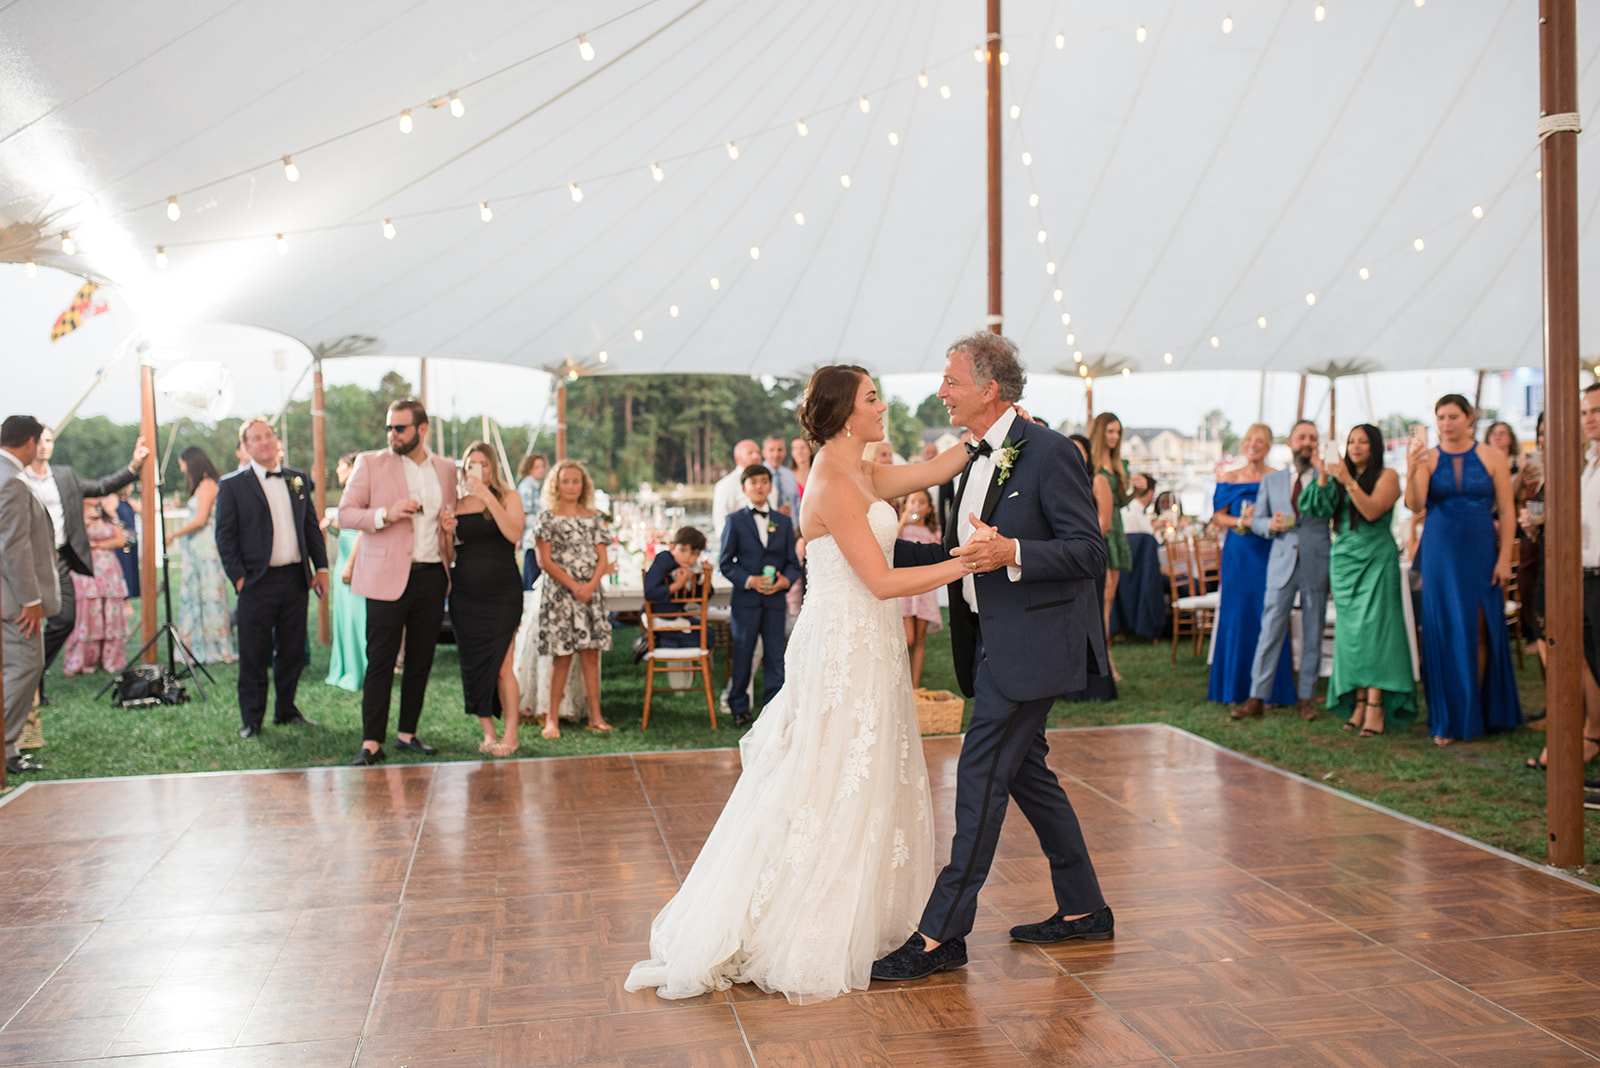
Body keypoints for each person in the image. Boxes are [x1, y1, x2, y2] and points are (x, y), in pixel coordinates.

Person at [626, 363, 979, 1004]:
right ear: (847, 414)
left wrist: (989, 434)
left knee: (866, 772)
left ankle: (866, 914)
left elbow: (935, 470)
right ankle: (803, 919)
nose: (882, 405)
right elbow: (882, 580)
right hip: (843, 641)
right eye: (873, 397)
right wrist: (965, 562)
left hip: (867, 642)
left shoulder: (863, 469)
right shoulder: (832, 483)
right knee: (829, 774)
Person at [871, 333, 1113, 984]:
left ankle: (939, 935)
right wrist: (862, 556)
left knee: (979, 781)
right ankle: (1085, 907)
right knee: (1029, 775)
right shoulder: (969, 458)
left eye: (950, 381)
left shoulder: (1051, 452)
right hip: (989, 646)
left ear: (989, 388)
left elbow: (1090, 553)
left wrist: (1015, 554)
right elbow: (958, 557)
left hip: (1032, 649)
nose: (940, 391)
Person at [338, 399, 459, 766]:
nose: (392, 434)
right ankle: (371, 741)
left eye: (400, 428)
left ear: (422, 430)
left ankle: (407, 732)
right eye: (389, 428)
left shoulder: (446, 469)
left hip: (433, 575)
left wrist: (450, 531)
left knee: (421, 659)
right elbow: (345, 514)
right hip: (386, 577)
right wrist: (385, 514)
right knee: (381, 661)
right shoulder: (371, 463)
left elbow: (448, 519)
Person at [1405, 394, 1522, 745]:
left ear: (1469, 418)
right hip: (1440, 551)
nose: (1446, 423)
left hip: (1481, 550)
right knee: (1444, 631)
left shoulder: (1492, 456)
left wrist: (1504, 559)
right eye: (1440, 416)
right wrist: (1412, 468)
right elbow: (1414, 504)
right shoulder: (1428, 458)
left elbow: (1508, 510)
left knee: (1480, 629)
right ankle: (1449, 716)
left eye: (1453, 416)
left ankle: (1476, 712)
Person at [214, 418, 329, 738]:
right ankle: (252, 719)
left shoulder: (298, 479)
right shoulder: (232, 485)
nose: (264, 442)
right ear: (247, 446)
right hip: (255, 581)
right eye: (256, 438)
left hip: (295, 579)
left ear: (276, 440)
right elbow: (225, 536)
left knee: (291, 651)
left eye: (269, 436)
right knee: (253, 653)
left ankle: (286, 710)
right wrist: (238, 578)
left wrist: (320, 569)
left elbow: (311, 527)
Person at [1301, 424, 1417, 736]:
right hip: (1344, 560)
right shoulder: (1338, 478)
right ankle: (1360, 700)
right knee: (1351, 635)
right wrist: (1324, 473)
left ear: (1375, 446)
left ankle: (1377, 705)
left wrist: (1346, 479)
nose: (1355, 446)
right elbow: (1314, 508)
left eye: (1363, 441)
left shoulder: (1387, 477)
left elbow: (1371, 510)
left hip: (1376, 558)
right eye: (1351, 441)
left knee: (1378, 632)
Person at [22, 427, 147, 704]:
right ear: (28, 443)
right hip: (26, 561)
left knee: (64, 621)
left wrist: (133, 466)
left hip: (60, 560)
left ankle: (32, 675)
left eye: (49, 440)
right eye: (39, 440)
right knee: (25, 626)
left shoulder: (64, 476)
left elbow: (101, 487)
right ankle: (30, 687)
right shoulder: (16, 477)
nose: (44, 446)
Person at [1235, 420, 1330, 721]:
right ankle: (1256, 697)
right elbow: (1256, 520)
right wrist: (1269, 525)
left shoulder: (1326, 479)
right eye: (1301, 437)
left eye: (1312, 438)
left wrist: (1325, 473)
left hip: (1316, 561)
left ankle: (1306, 699)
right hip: (1281, 563)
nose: (1307, 443)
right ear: (1289, 443)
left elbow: (1331, 511)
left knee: (1314, 631)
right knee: (1271, 630)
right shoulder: (1272, 481)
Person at [1527, 387, 1600, 770]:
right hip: (1569, 570)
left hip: (1587, 572)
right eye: (1585, 411)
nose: (1589, 418)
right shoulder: (1583, 464)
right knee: (1581, 656)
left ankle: (1587, 732)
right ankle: (1582, 731)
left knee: (1586, 659)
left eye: (1596, 411)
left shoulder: (1582, 464)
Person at [1208, 424, 1295, 706]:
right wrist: (1244, 522)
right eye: (1249, 440)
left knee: (1270, 616)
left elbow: (1291, 515)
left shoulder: (1279, 479)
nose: (1253, 445)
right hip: (1239, 555)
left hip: (1270, 552)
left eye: (1259, 441)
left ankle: (1270, 691)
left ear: (1269, 445)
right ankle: (1234, 688)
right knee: (1237, 616)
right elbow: (1217, 518)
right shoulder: (1229, 477)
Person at [449, 441, 526, 756]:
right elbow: (450, 554)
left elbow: (513, 533)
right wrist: (444, 533)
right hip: (465, 595)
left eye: (482, 463)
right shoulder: (455, 503)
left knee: (503, 665)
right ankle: (488, 733)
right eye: (471, 463)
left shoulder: (509, 497)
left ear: (492, 466)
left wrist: (485, 497)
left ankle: (511, 733)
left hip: (502, 592)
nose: (476, 468)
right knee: (474, 665)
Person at [535, 459, 613, 738]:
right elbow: (544, 560)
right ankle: (552, 719)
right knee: (562, 657)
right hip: (560, 596)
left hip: (590, 595)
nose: (570, 486)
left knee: (591, 656)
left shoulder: (595, 518)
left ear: (584, 485)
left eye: (575, 481)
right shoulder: (547, 518)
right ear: (556, 484)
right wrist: (574, 586)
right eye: (565, 481)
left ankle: (595, 715)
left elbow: (603, 558)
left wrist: (590, 586)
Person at [719, 465, 802, 728]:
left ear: (770, 487)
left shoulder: (784, 521)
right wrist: (749, 580)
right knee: (743, 653)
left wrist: (784, 581)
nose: (759, 486)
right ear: (744, 489)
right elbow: (726, 563)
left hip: (775, 600)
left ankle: (773, 708)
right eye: (753, 482)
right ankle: (739, 708)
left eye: (764, 481)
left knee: (775, 655)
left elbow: (793, 562)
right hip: (746, 601)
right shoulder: (734, 521)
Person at [1, 416, 59, 775]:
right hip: (15, 602)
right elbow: (14, 547)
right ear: (30, 441)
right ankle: (5, 745)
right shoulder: (13, 483)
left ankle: (7, 749)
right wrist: (31, 601)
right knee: (26, 667)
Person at [165, 447, 237, 664]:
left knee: (208, 595)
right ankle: (195, 643)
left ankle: (213, 645)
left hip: (206, 547)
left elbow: (200, 519)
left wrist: (173, 534)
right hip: (197, 547)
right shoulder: (202, 486)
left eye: (182, 463)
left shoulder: (207, 485)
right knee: (196, 594)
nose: (181, 467)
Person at [61, 498, 128, 675]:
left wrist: (98, 544)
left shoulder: (106, 514)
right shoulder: (74, 516)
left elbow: (121, 540)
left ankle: (110, 658)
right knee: (88, 614)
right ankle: (84, 660)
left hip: (108, 570)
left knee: (110, 613)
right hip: (85, 568)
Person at [1089, 413, 1132, 681]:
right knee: (1101, 598)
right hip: (1100, 531)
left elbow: (1119, 502)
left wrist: (1136, 493)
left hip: (1116, 531)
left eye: (1118, 432)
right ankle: (1103, 659)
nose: (1114, 437)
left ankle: (1105, 657)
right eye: (1110, 432)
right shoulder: (1091, 464)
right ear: (1100, 432)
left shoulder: (1119, 464)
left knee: (1109, 598)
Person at [325, 451, 367, 691]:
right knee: (343, 616)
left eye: (341, 467)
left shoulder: (362, 491)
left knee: (356, 616)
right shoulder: (347, 492)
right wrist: (332, 526)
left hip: (355, 557)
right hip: (342, 555)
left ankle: (358, 669)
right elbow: (347, 525)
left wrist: (351, 564)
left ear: (352, 468)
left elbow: (363, 528)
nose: (338, 471)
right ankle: (344, 667)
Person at [897, 488, 942, 687]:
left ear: (929, 508)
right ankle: (899, 681)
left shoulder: (934, 532)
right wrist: (902, 521)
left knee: (920, 638)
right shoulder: (902, 529)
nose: (916, 506)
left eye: (922, 502)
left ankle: (914, 685)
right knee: (908, 638)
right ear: (905, 505)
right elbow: (891, 544)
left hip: (925, 590)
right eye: (912, 501)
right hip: (905, 587)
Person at [642, 526, 708, 650]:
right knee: (706, 637)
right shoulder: (664, 559)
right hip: (657, 616)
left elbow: (702, 597)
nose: (688, 557)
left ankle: (662, 642)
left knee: (708, 634)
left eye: (693, 553)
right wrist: (678, 585)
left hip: (677, 616)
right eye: (683, 551)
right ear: (673, 548)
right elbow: (649, 592)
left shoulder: (693, 569)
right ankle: (657, 642)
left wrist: (705, 577)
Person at [711, 440, 764, 541]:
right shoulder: (726, 485)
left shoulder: (769, 483)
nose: (756, 456)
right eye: (750, 453)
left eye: (758, 452)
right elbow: (721, 524)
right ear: (737, 459)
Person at [516, 452, 548, 590]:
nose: (541, 470)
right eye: (537, 467)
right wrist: (518, 537)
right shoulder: (527, 486)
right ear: (529, 468)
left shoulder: (538, 486)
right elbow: (522, 513)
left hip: (538, 539)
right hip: (531, 539)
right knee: (532, 579)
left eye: (542, 466)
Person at [106, 491, 140, 603]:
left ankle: (129, 597)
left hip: (131, 541)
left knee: (131, 569)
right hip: (122, 542)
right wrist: (119, 528)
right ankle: (126, 601)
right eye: (129, 485)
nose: (131, 488)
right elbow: (109, 511)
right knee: (124, 569)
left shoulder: (128, 501)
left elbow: (144, 509)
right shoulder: (114, 499)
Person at [762, 436, 800, 515]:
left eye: (780, 450)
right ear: (764, 452)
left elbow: (797, 506)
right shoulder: (757, 476)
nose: (776, 454)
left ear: (785, 452)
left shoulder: (790, 475)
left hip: (790, 525)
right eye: (771, 450)